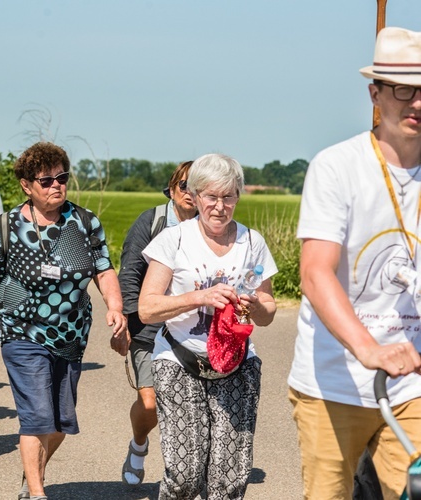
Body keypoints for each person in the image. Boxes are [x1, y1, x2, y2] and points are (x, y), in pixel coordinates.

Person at [290, 27, 421, 499]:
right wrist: (369, 350)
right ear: (375, 94)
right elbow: (314, 272)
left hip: (413, 383)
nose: (417, 103)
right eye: (404, 89)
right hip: (335, 379)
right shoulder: (337, 166)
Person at [0, 141, 129, 500]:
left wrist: (115, 308)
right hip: (21, 331)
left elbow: (103, 271)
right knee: (37, 416)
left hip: (71, 335)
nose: (57, 185)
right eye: (46, 180)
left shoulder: (85, 222)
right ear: (27, 186)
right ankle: (38, 494)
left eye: (62, 177)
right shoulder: (8, 225)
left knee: (58, 423)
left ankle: (31, 478)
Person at [138, 153, 277, 500]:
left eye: (228, 196)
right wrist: (199, 298)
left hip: (237, 366)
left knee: (228, 482)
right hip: (180, 361)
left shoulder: (252, 242)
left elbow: (269, 311)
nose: (219, 206)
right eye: (211, 197)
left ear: (238, 197)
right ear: (196, 196)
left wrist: (257, 305)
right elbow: (147, 308)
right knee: (184, 476)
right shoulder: (175, 240)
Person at [117, 160, 197, 486]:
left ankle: (180, 478)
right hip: (148, 330)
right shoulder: (152, 221)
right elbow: (130, 274)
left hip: (192, 334)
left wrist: (240, 323)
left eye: (199, 186)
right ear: (172, 187)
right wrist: (128, 321)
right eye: (184, 185)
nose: (191, 193)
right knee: (150, 402)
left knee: (187, 410)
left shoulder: (216, 229)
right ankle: (138, 445)